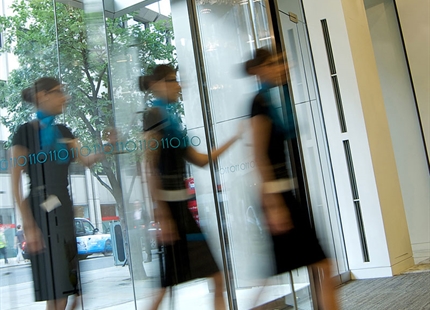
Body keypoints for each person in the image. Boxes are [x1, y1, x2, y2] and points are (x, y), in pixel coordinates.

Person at [139, 64, 241, 310]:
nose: (178, 85)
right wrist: (162, 216)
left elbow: (200, 160)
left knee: (215, 277)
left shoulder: (171, 120)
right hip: (171, 211)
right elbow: (148, 167)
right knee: (173, 286)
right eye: (172, 80)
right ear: (157, 85)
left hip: (180, 209)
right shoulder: (154, 115)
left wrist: (234, 138)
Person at [245, 48, 339, 310]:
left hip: (284, 193)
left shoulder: (274, 100)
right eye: (276, 63)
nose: (284, 67)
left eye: (284, 62)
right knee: (320, 265)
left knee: (318, 266)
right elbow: (259, 155)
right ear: (261, 69)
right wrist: (275, 205)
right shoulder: (260, 103)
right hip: (278, 196)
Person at [11, 77, 105, 310]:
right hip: (40, 213)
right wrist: (29, 227)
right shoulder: (24, 133)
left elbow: (86, 160)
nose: (65, 97)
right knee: (59, 292)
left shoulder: (64, 131)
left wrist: (108, 146)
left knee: (75, 289)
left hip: (63, 212)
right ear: (42, 96)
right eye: (59, 92)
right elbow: (15, 184)